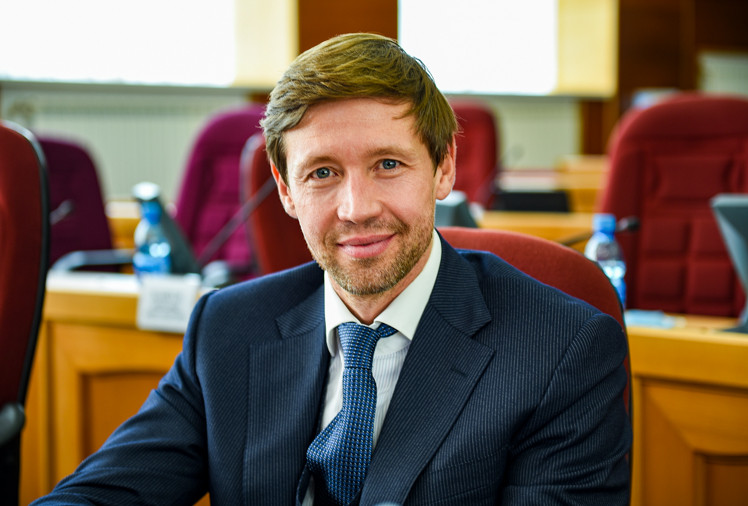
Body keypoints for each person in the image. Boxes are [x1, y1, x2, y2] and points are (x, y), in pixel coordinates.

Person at [33, 33, 631, 505]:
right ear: (285, 189)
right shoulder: (227, 328)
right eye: (322, 173)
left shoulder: (563, 350)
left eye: (388, 164)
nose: (356, 209)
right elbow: (105, 492)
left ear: (444, 166)